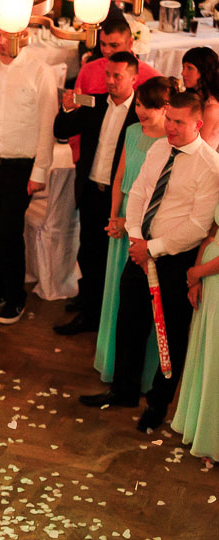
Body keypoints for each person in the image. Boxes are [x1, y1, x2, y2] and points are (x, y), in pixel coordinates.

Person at [80, 93, 219, 433]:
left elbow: (199, 225)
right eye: (169, 119)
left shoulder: (210, 165)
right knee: (129, 321)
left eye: (178, 122)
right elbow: (141, 192)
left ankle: (158, 404)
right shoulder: (159, 148)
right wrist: (135, 238)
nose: (169, 127)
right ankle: (123, 390)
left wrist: (152, 248)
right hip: (140, 250)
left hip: (174, 259)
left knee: (168, 336)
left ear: (198, 124)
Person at [0, 29, 57, 325]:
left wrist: (40, 169)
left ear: (26, 34)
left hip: (20, 166)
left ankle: (16, 294)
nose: (1, 40)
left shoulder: (40, 71)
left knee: (9, 231)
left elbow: (47, 124)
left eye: (8, 35)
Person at [95, 77, 176, 388]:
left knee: (143, 300)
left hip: (146, 222)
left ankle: (142, 375)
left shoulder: (169, 143)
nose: (141, 111)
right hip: (124, 218)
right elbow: (118, 178)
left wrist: (132, 222)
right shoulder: (131, 132)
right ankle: (111, 363)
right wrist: (115, 215)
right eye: (140, 104)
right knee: (116, 293)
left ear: (165, 108)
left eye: (150, 106)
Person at [51, 51, 140, 336]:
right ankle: (88, 308)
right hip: (90, 190)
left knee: (111, 259)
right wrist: (66, 110)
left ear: (134, 79)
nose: (110, 81)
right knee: (87, 253)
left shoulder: (140, 112)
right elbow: (62, 132)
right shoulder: (94, 103)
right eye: (108, 75)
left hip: (119, 198)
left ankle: (103, 314)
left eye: (118, 76)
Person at [173, 220, 219, 460]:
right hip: (210, 279)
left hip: (214, 273)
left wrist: (198, 271)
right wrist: (195, 277)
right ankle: (204, 431)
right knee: (208, 353)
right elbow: (211, 232)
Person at [74, 19, 160, 96]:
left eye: (114, 45)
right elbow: (78, 105)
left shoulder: (151, 77)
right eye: (103, 44)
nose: (106, 50)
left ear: (130, 43)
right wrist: (69, 108)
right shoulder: (89, 69)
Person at [180, 47, 219, 149]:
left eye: (189, 68)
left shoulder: (212, 108)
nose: (183, 73)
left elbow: (199, 149)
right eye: (183, 67)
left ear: (204, 71)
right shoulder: (195, 98)